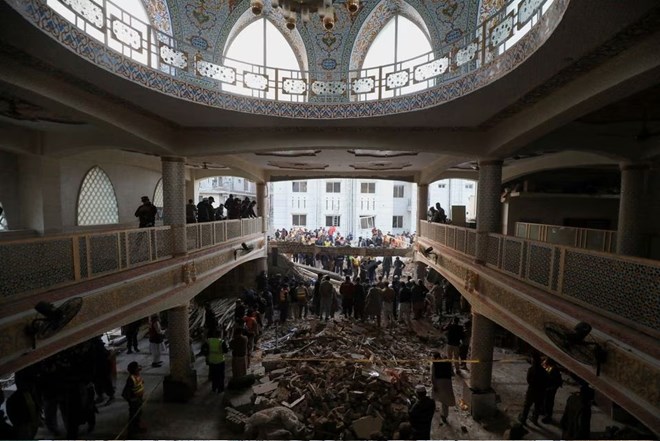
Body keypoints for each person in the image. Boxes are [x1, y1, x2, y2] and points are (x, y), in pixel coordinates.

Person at [518, 352, 547, 426]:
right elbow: (546, 381)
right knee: (537, 406)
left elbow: (528, 380)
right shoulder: (544, 371)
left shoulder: (531, 369)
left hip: (532, 390)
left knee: (527, 406)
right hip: (540, 392)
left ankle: (523, 419)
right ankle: (535, 419)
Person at [200, 329, 229, 393]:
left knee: (214, 375)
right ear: (220, 335)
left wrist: (207, 355)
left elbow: (203, 349)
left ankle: (214, 388)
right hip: (220, 361)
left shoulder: (209, 341)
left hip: (212, 360)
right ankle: (220, 389)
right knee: (220, 376)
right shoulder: (221, 342)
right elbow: (226, 351)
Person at [431, 351, 455, 426]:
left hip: (438, 381)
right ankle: (445, 415)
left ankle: (432, 409)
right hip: (447, 382)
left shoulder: (434, 364)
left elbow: (432, 376)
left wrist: (434, 385)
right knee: (445, 400)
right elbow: (452, 373)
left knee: (434, 395)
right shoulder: (448, 362)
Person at [121, 361, 145, 436]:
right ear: (134, 370)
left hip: (139, 399)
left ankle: (137, 428)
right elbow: (125, 393)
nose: (139, 368)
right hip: (134, 401)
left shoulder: (137, 375)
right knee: (133, 416)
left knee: (138, 414)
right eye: (137, 367)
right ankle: (131, 433)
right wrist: (132, 400)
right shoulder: (131, 379)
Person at [542, 357, 563, 423]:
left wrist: (550, 388)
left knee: (548, 402)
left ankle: (548, 416)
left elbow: (557, 382)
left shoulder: (554, 370)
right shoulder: (550, 368)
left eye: (545, 363)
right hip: (547, 388)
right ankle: (544, 411)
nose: (544, 364)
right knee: (545, 401)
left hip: (550, 389)